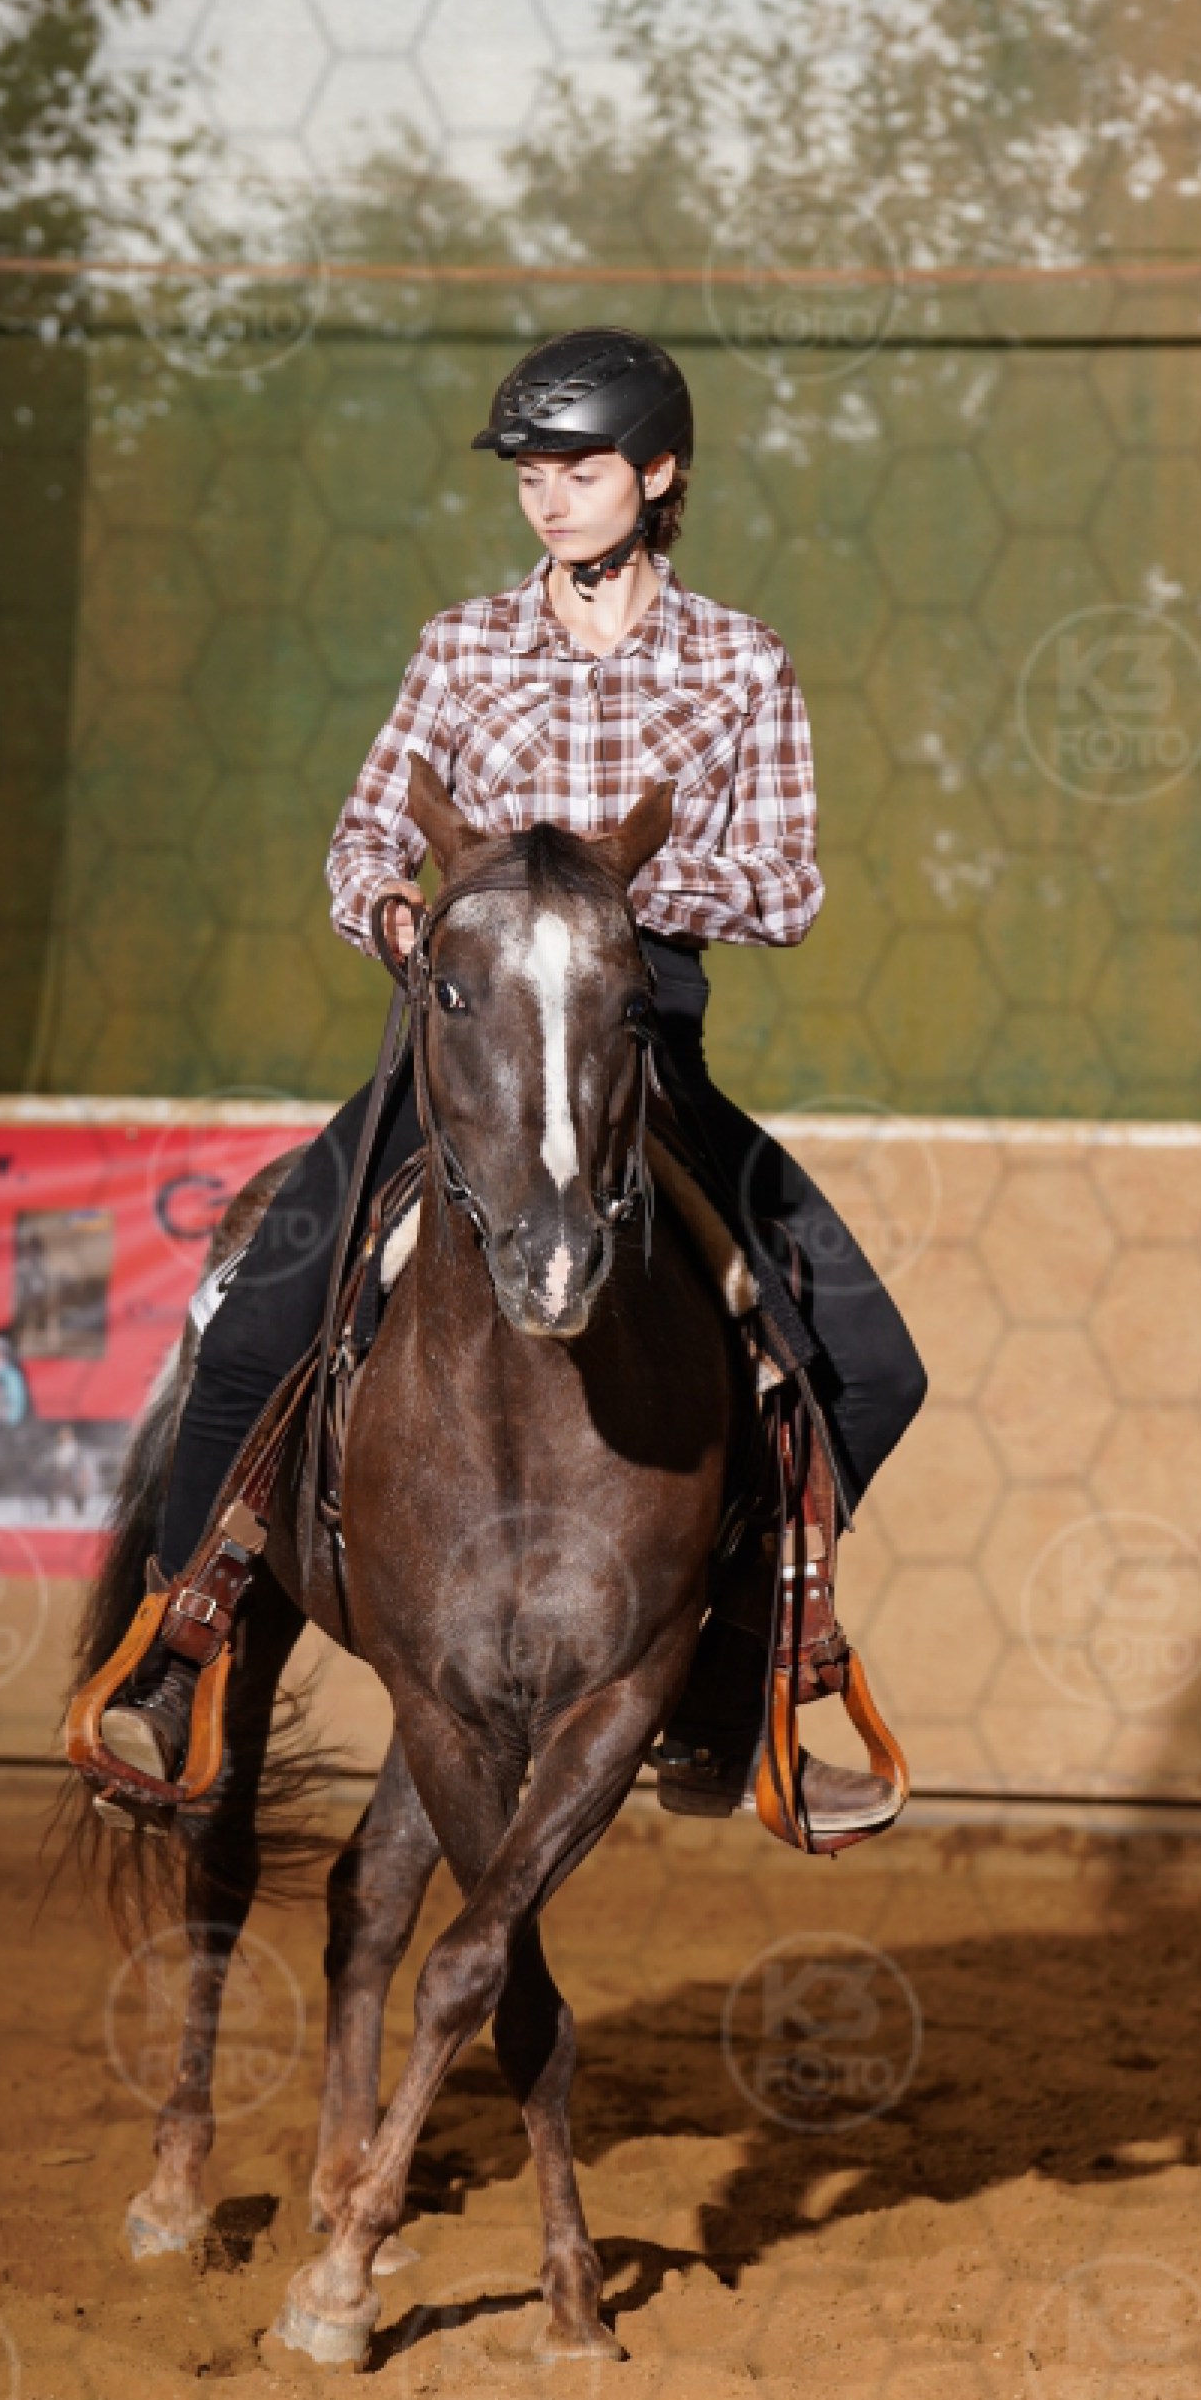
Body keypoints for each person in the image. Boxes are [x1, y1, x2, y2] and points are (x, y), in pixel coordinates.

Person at [108, 329, 927, 1839]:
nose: (551, 500)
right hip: (467, 1047)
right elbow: (366, 838)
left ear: (658, 475)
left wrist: (604, 897)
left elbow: (788, 884)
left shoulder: (742, 661)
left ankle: (727, 1688)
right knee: (254, 1314)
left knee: (874, 1370)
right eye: (532, 475)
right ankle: (177, 1646)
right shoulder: (460, 645)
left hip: (636, 1049)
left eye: (582, 471)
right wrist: (397, 911)